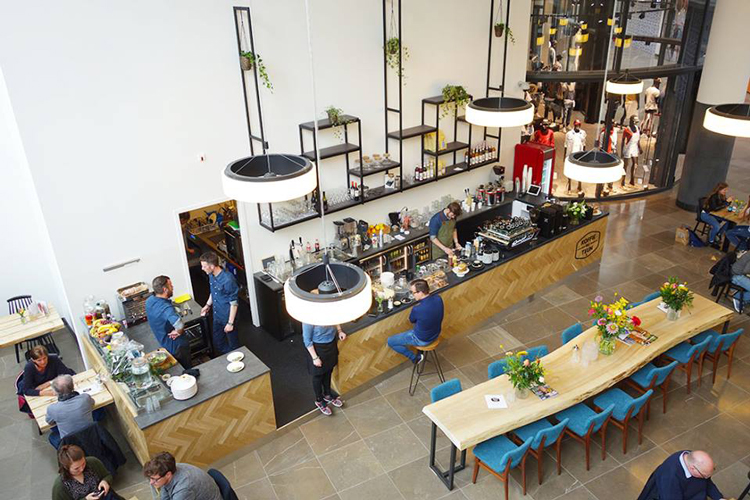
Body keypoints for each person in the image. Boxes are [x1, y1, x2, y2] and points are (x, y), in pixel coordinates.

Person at [386, 279, 444, 364]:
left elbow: (411, 320)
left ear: (420, 292)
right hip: (436, 333)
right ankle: (419, 352)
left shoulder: (418, 309)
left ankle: (415, 358)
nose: (413, 295)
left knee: (390, 341)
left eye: (413, 293)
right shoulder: (438, 298)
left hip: (422, 339)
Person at [636, 450, 726, 500]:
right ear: (692, 468)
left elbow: (707, 483)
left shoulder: (691, 458)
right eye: (705, 476)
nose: (706, 478)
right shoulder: (670, 478)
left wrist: (719, 498)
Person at [145, 275, 191, 369]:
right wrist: (178, 331)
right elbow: (179, 324)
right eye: (170, 285)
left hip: (164, 343)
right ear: (165, 289)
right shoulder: (166, 308)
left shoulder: (149, 301)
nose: (172, 287)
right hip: (177, 346)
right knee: (187, 369)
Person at [200, 251, 240, 355]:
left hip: (227, 316)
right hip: (217, 315)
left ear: (212, 266)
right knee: (218, 342)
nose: (202, 268)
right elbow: (213, 292)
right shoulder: (211, 275)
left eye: (204, 266)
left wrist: (230, 323)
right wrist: (207, 305)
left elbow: (234, 303)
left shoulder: (228, 280)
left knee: (233, 345)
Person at [303, 322, 346, 416]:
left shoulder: (329, 311)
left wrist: (339, 331)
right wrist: (315, 358)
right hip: (317, 348)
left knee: (329, 370)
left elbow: (336, 319)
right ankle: (319, 400)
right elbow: (307, 340)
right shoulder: (308, 317)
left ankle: (328, 394)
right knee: (318, 376)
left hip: (331, 343)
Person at [53, 445, 124, 500]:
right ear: (66, 468)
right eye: (76, 468)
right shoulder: (60, 486)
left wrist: (105, 481)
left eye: (83, 463)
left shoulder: (92, 462)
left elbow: (107, 475)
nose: (81, 469)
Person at [143, 451, 222, 500]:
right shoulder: (169, 467)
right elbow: (165, 490)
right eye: (150, 478)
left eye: (155, 479)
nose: (151, 482)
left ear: (168, 474)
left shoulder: (183, 489)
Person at [46, 374, 95, 449]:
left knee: (52, 436)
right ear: (73, 386)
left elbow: (50, 422)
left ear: (56, 393)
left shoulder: (53, 409)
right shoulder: (85, 398)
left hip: (71, 444)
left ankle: (65, 452)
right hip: (91, 436)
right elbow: (92, 403)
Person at [701, 182, 732, 247]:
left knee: (730, 222)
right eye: (724, 190)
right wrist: (726, 202)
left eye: (726, 190)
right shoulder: (713, 196)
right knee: (717, 226)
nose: (726, 191)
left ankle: (719, 234)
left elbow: (722, 205)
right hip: (706, 214)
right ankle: (711, 241)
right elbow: (715, 208)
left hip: (715, 214)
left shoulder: (721, 196)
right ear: (719, 189)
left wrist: (729, 202)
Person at [565, 119, 586, 195]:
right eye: (576, 125)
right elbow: (566, 145)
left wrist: (584, 156)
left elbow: (584, 144)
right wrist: (565, 157)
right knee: (570, 171)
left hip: (579, 156)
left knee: (580, 172)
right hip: (571, 155)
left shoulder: (583, 133)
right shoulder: (569, 134)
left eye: (579, 125)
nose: (578, 126)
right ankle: (569, 187)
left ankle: (579, 187)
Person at [621, 116, 642, 188]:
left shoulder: (637, 128)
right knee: (625, 165)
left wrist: (639, 147)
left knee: (635, 164)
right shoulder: (627, 129)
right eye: (634, 121)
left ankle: (632, 180)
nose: (635, 122)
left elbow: (638, 139)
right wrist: (622, 151)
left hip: (635, 147)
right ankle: (622, 181)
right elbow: (623, 140)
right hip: (628, 148)